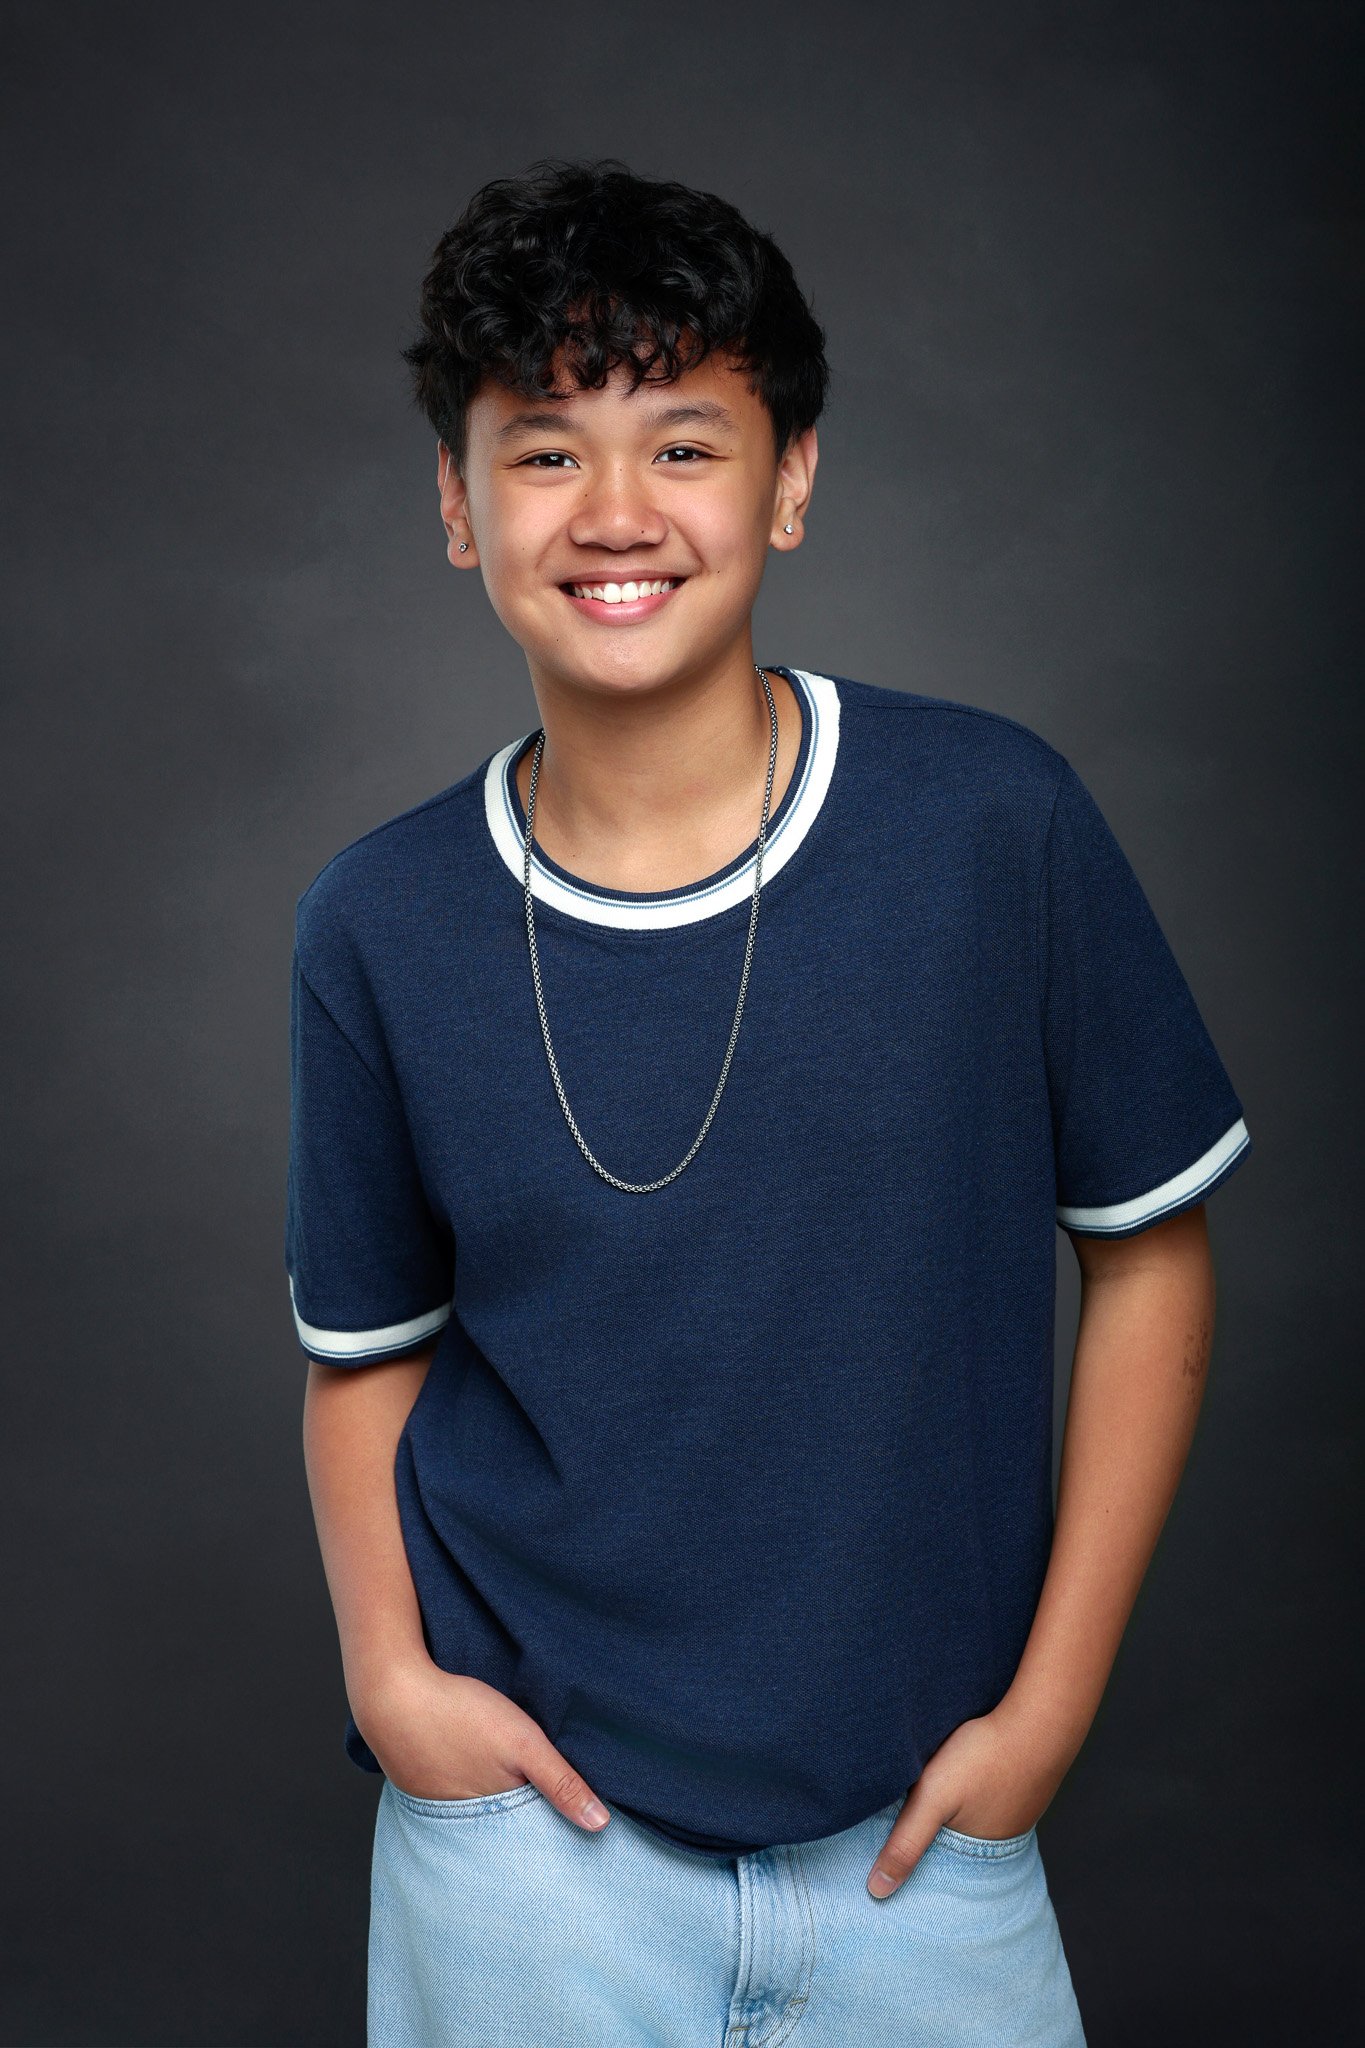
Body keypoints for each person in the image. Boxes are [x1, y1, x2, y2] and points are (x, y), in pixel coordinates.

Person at [287, 156, 1251, 2047]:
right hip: (525, 1870)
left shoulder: (990, 825)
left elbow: (1151, 1263)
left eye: (688, 443)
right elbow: (365, 1352)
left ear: (791, 480)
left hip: (919, 1853)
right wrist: (393, 1679)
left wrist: (1047, 1713)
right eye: (545, 451)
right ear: (457, 508)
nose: (616, 512)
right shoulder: (380, 917)